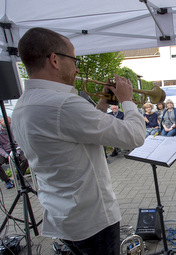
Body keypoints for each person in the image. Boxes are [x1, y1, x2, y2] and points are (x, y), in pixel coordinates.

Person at [12, 27, 145, 254]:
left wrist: (102, 104)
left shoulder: (23, 105)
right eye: (74, 60)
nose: (76, 68)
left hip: (63, 215)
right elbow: (135, 136)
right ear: (54, 59)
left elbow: (76, 132)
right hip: (92, 219)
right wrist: (127, 100)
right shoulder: (63, 104)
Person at [0, 116, 28, 189]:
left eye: (9, 123)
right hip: (4, 152)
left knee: (27, 158)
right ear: (0, 122)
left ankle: (18, 176)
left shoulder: (13, 129)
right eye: (5, 122)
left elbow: (18, 141)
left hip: (15, 149)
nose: (7, 124)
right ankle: (7, 180)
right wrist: (7, 156)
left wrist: (17, 152)